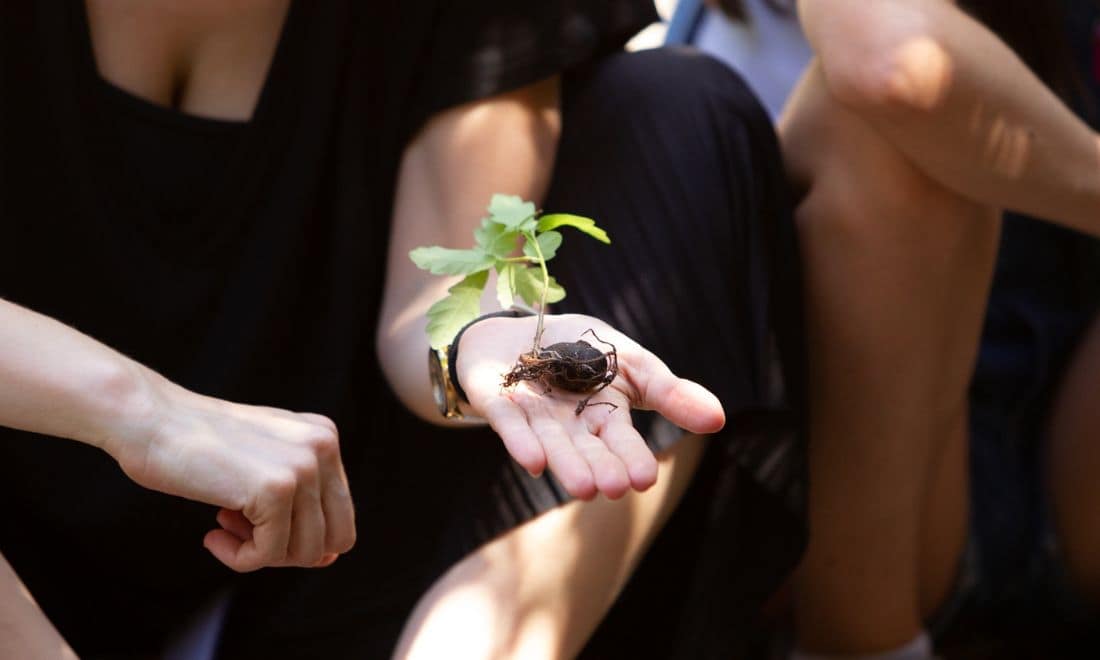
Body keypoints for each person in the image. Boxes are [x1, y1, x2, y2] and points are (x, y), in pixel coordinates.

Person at [1, 2, 804, 657]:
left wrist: (481, 338)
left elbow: (440, 292)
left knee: (681, 112)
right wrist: (137, 406)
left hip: (324, 545)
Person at [676, 0, 1100, 657]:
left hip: (1074, 444)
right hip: (876, 490)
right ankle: (864, 643)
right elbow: (891, 62)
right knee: (890, 118)